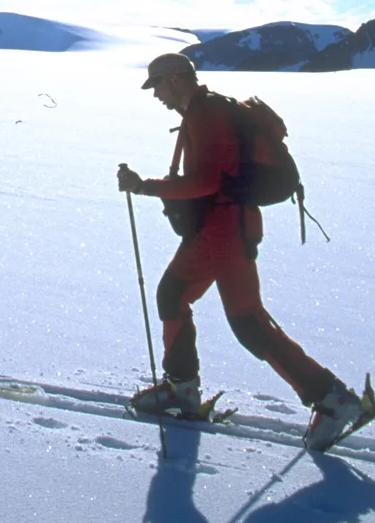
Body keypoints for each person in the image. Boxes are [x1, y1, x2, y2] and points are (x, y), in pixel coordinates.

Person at [117, 52, 362, 449]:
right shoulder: (206, 111)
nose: (156, 95)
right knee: (211, 309)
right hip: (224, 231)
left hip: (221, 232)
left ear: (177, 79)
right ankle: (327, 397)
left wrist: (146, 186)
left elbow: (206, 182)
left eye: (157, 85)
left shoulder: (206, 115)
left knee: (211, 309)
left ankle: (328, 398)